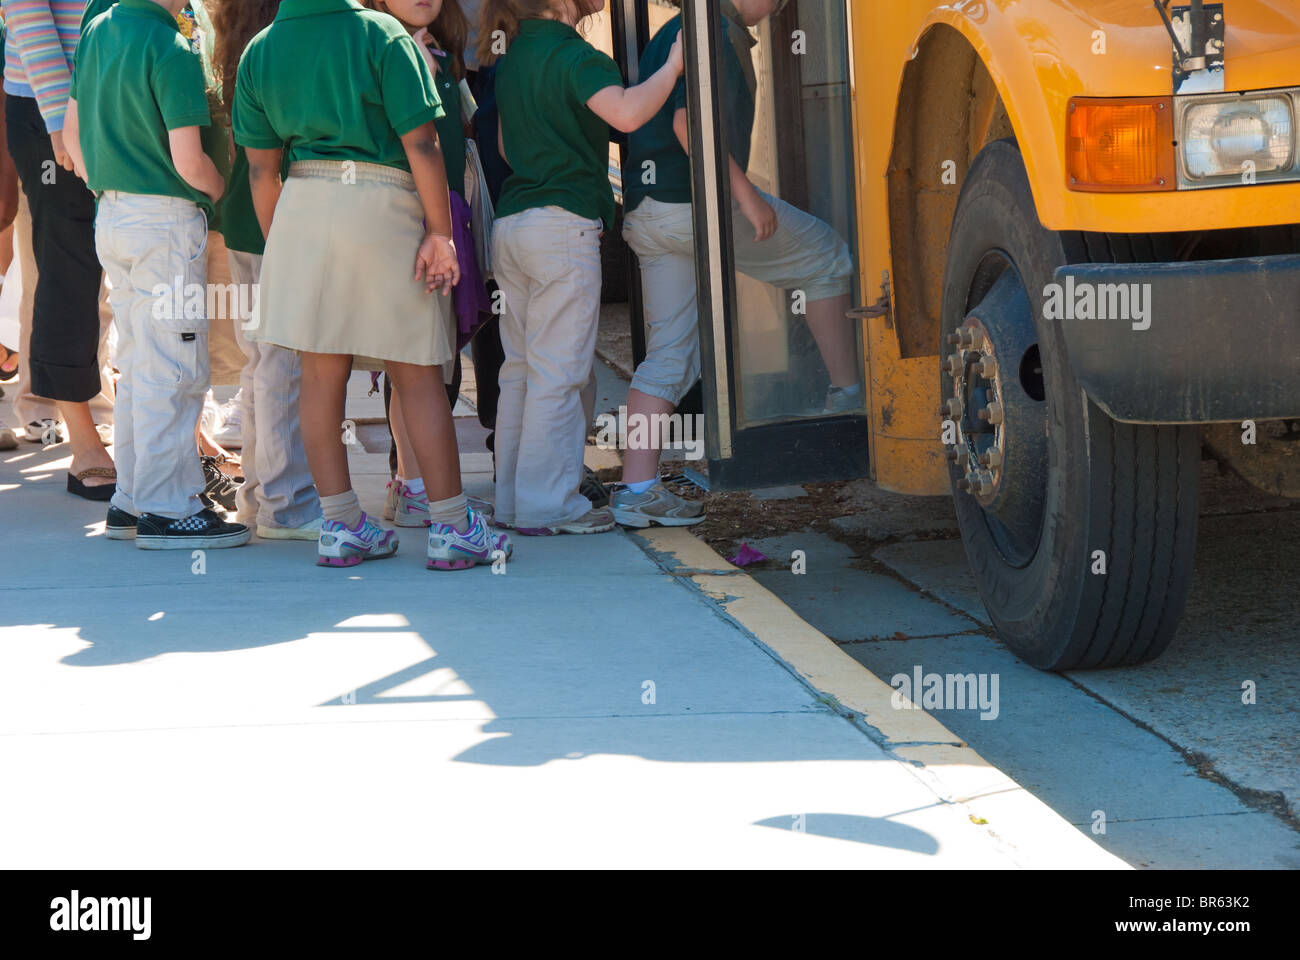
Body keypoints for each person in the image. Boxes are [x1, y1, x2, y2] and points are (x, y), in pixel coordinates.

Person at [233, 0, 510, 570]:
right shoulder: (382, 34)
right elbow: (423, 142)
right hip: (384, 204)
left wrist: (284, 245)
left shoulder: (260, 50)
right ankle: (454, 528)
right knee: (417, 370)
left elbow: (262, 170)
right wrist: (440, 231)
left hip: (303, 205)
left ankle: (339, 524)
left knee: (319, 370)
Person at [609, 0, 857, 528]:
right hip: (695, 208)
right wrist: (747, 197)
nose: (784, 5)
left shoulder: (680, 30)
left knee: (670, 354)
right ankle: (847, 398)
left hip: (650, 212)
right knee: (825, 256)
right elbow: (686, 123)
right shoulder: (713, 33)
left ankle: (637, 489)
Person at [480, 0, 682, 536]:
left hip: (513, 224)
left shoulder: (513, 54)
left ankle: (513, 501)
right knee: (560, 376)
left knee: (520, 371)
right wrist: (675, 66)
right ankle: (550, 505)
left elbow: (503, 143)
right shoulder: (577, 56)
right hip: (563, 227)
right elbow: (628, 114)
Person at [66, 0, 251, 548]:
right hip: (165, 218)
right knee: (174, 363)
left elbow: (71, 134)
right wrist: (226, 196)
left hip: (113, 213)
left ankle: (133, 500)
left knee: (140, 359)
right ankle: (169, 507)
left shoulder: (98, 27)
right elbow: (190, 160)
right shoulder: (171, 47)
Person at [361, 0, 493, 531]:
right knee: (413, 361)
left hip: (446, 216)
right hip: (412, 221)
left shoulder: (440, 50)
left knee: (436, 362)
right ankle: (414, 485)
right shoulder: (387, 49)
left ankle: (411, 486)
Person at [211, 0, 321, 540]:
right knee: (280, 365)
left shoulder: (243, 40)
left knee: (261, 365)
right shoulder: (283, 44)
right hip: (274, 220)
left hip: (247, 218)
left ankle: (259, 495)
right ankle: (286, 503)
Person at [3, 0, 116, 496]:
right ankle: (84, 442)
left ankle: (179, 433)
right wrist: (57, 121)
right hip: (53, 107)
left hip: (129, 89)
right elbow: (25, 12)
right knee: (68, 267)